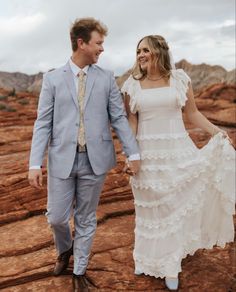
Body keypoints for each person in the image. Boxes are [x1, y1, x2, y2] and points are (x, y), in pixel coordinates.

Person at [28, 17, 140, 292]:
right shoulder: (52, 79)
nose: (102, 48)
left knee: (86, 217)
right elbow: (43, 122)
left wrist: (132, 152)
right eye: (98, 43)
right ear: (82, 43)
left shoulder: (106, 78)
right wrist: (34, 163)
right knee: (56, 217)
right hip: (61, 159)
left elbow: (118, 118)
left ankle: (79, 271)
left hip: (96, 159)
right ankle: (65, 249)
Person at [121, 35, 235, 291]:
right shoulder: (132, 85)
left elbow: (192, 114)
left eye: (146, 50)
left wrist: (217, 132)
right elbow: (131, 122)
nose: (140, 55)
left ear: (159, 52)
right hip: (147, 154)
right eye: (138, 50)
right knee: (151, 209)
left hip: (178, 152)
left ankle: (170, 264)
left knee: (174, 208)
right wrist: (131, 155)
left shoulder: (180, 79)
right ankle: (146, 258)